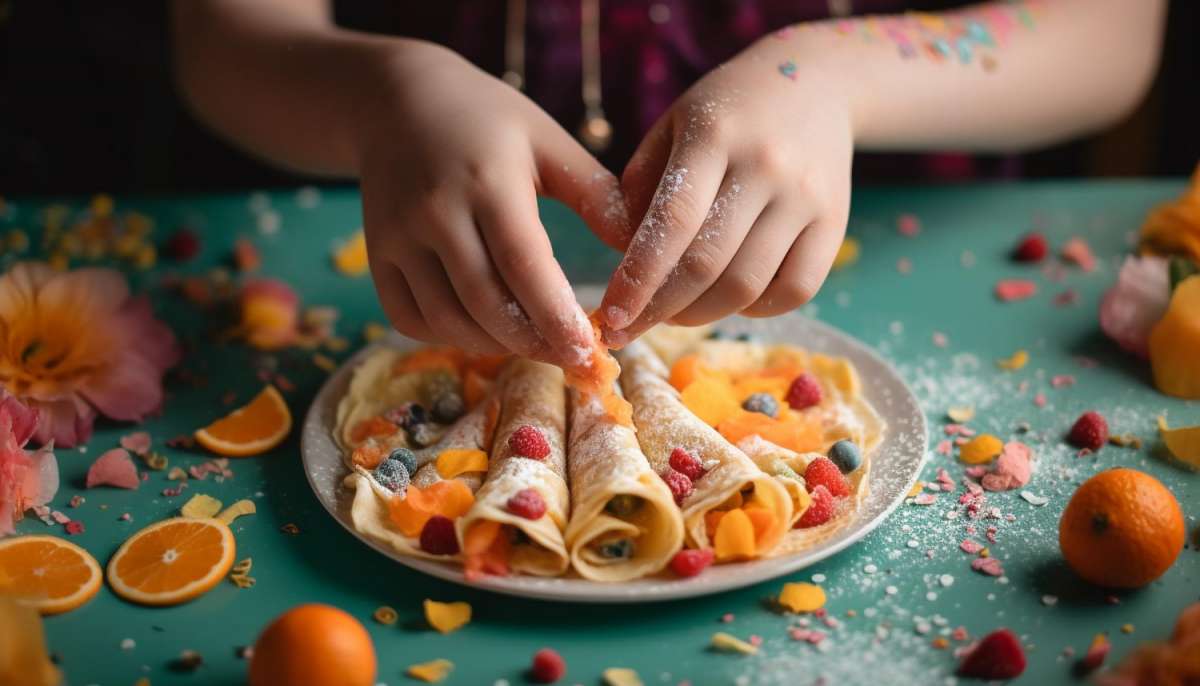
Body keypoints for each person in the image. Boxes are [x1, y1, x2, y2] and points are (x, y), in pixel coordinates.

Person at [172, 0, 1164, 369]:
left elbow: (1114, 31)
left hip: (911, 232)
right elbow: (223, 38)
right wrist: (383, 95)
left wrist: (839, 76)